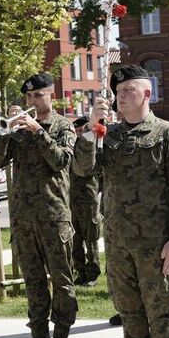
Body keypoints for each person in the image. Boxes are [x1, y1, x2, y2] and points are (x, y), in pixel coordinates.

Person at [74, 64, 169, 338]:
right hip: (119, 244)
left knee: (160, 314)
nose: (120, 96)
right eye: (117, 90)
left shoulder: (167, 134)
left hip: (156, 246)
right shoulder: (107, 135)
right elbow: (82, 170)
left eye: (128, 90)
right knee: (130, 314)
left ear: (146, 94)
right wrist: (88, 133)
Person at [0, 74, 77, 338]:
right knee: (33, 279)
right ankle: (39, 336)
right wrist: (4, 133)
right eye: (29, 97)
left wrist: (39, 132)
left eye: (39, 95)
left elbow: (62, 160)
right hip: (23, 218)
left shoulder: (62, 126)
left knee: (61, 278)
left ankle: (61, 336)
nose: (33, 101)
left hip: (53, 215)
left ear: (52, 95)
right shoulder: (18, 131)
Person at [70, 116, 102, 287]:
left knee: (91, 239)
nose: (79, 134)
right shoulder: (73, 148)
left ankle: (92, 274)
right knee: (75, 240)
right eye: (76, 131)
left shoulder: (92, 148)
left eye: (81, 130)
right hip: (72, 200)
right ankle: (80, 273)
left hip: (88, 199)